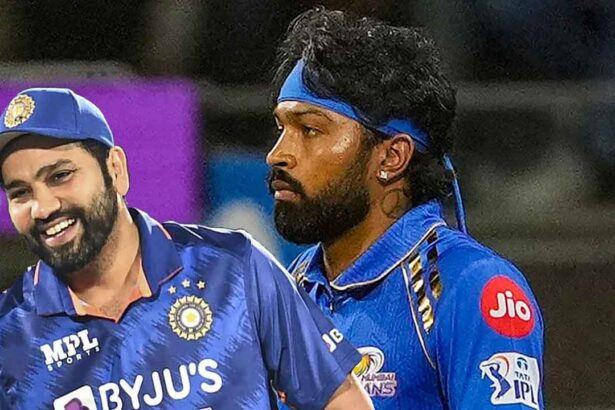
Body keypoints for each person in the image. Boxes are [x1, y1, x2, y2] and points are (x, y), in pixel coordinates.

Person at [0, 87, 373, 410]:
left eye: (60, 176)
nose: (42, 208)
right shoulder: (9, 336)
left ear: (115, 170)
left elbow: (339, 400)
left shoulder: (233, 269)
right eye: (20, 193)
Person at [267, 8, 544, 409]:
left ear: (392, 157)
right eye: (282, 128)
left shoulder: (473, 288)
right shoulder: (288, 291)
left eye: (310, 130)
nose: (277, 155)